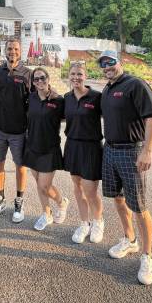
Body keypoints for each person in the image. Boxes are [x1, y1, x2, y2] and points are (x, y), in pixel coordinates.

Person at [99, 50, 152, 286]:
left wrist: (147, 150)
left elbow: (151, 119)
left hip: (132, 151)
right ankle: (129, 239)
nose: (108, 68)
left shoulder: (136, 84)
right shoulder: (107, 89)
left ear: (119, 62)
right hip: (110, 150)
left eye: (111, 63)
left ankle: (147, 255)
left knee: (139, 206)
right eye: (104, 65)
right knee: (117, 198)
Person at [0, 38, 32, 223]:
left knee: (20, 166)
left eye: (15, 49)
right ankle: (0, 199)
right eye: (9, 48)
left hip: (19, 130)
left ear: (20, 52)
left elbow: (34, 100)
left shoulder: (28, 73)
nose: (12, 51)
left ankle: (19, 201)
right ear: (4, 50)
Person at [22, 67, 68, 231]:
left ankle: (62, 202)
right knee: (38, 183)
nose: (40, 81)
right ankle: (46, 214)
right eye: (36, 79)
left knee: (44, 186)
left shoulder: (58, 100)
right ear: (33, 83)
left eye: (42, 78)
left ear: (48, 79)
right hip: (32, 146)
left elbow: (71, 117)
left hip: (49, 149)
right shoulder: (31, 98)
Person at [64, 63, 104, 244]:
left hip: (91, 147)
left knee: (90, 189)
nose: (76, 77)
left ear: (85, 76)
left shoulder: (96, 97)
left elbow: (112, 115)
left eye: (79, 74)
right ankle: (84, 223)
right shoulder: (67, 98)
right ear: (68, 75)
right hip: (72, 145)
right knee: (77, 186)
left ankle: (98, 222)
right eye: (72, 74)